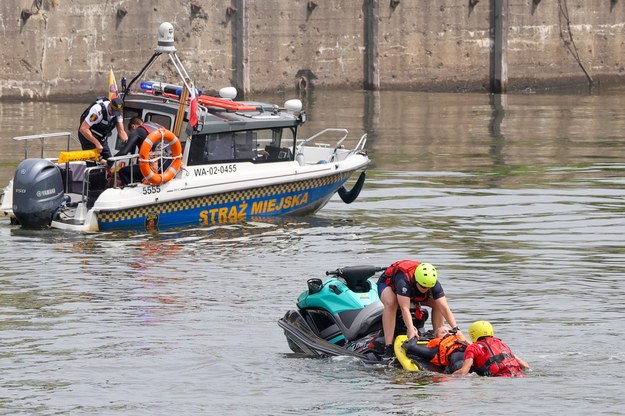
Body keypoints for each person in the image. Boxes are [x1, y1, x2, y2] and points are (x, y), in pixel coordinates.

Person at [377, 260, 461, 360]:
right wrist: (411, 329)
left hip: (413, 290)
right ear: (416, 281)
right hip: (389, 286)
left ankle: (437, 337)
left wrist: (456, 329)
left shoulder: (433, 284)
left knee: (438, 304)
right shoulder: (403, 281)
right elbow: (405, 309)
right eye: (423, 286)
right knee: (391, 303)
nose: (425, 289)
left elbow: (445, 308)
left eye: (428, 287)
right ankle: (388, 346)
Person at [454, 320, 529, 377]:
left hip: (498, 378)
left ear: (473, 334)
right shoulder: (501, 343)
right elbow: (525, 366)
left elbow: (463, 372)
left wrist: (447, 376)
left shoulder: (472, 348)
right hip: (519, 375)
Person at [114, 117, 167, 185]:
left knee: (123, 171)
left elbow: (124, 152)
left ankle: (131, 191)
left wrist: (110, 161)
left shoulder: (138, 131)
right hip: (166, 164)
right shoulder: (153, 126)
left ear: (133, 126)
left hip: (154, 166)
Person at [78, 96, 128, 164]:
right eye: (113, 111)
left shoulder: (118, 114)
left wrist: (127, 142)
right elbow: (83, 129)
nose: (114, 114)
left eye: (116, 112)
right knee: (94, 161)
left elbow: (121, 131)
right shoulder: (97, 110)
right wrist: (97, 143)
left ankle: (106, 173)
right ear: (110, 105)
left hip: (100, 136)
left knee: (110, 160)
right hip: (87, 135)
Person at [403, 325, 470, 373]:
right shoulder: (437, 349)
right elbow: (410, 347)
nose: (448, 334)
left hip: (473, 358)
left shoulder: (462, 339)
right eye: (443, 332)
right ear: (436, 337)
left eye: (449, 332)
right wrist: (413, 335)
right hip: (460, 365)